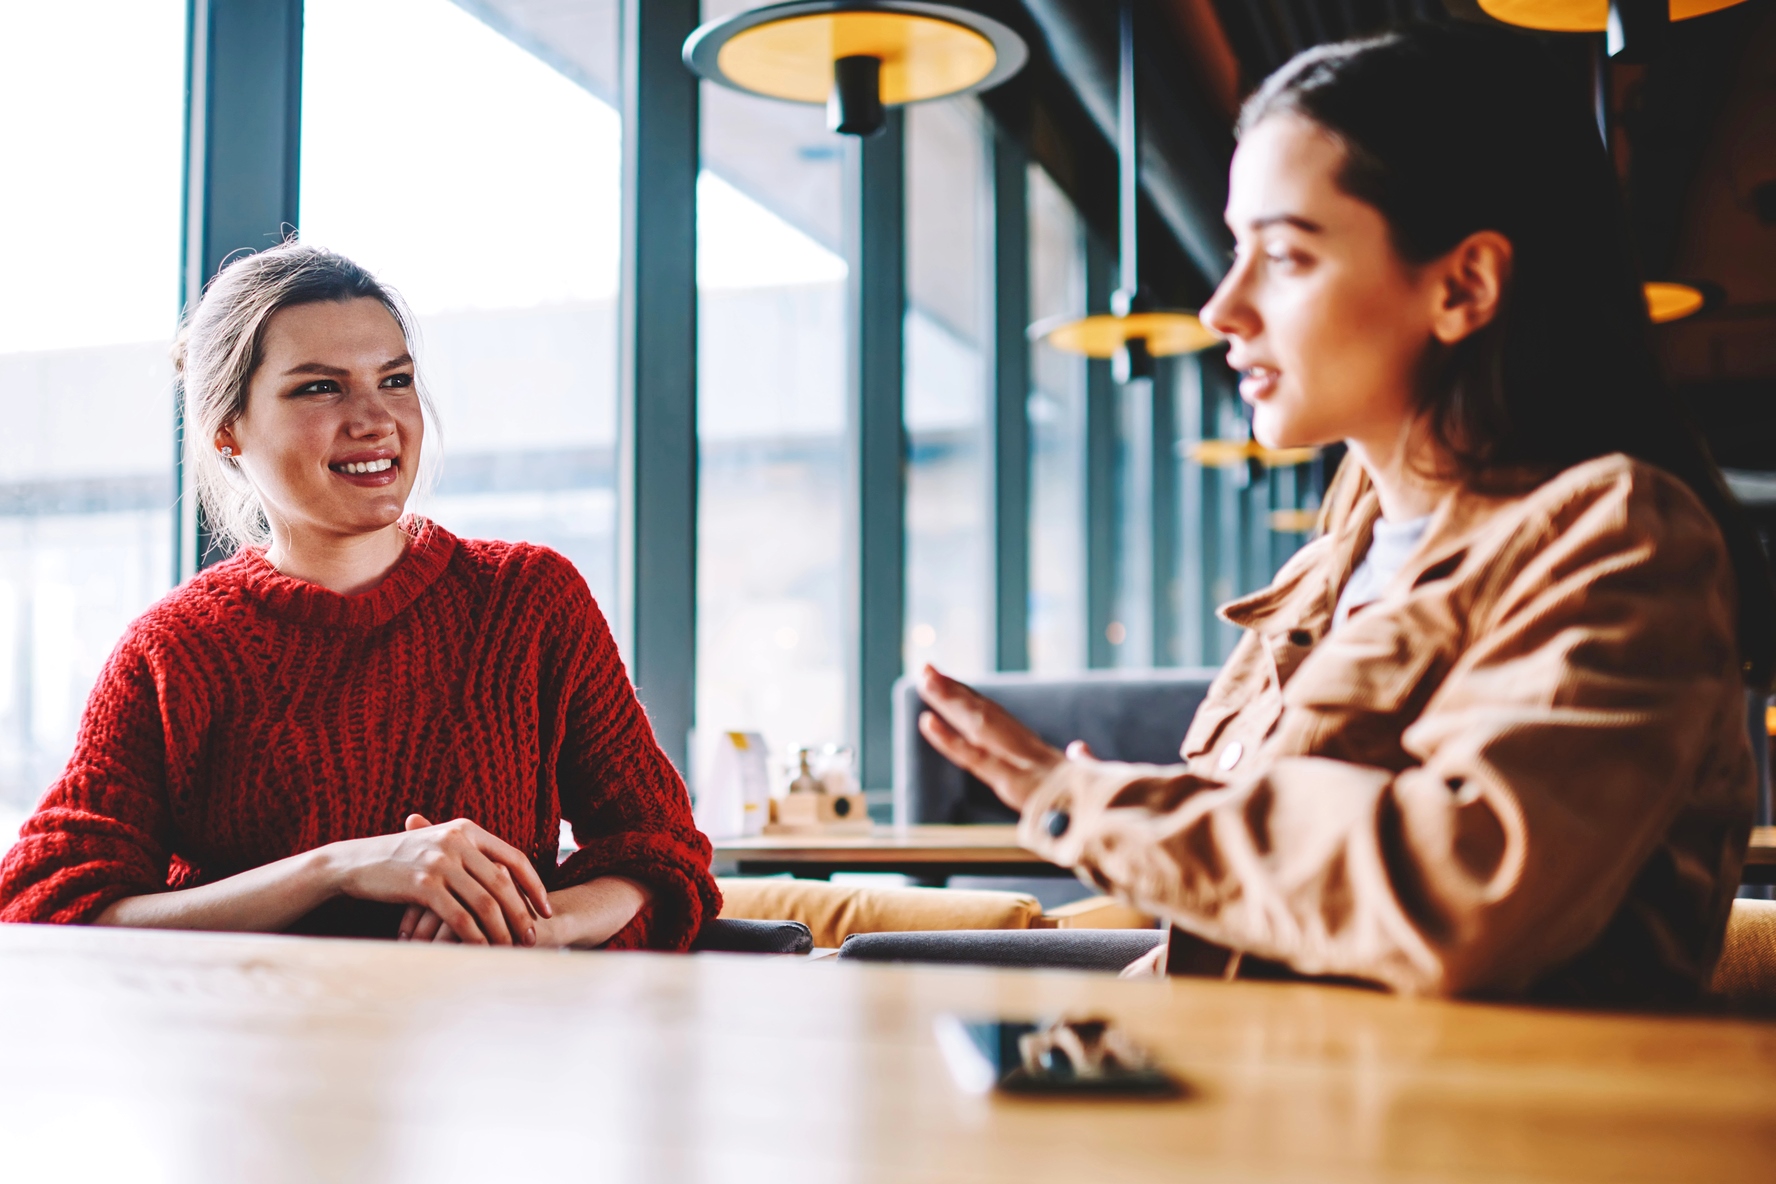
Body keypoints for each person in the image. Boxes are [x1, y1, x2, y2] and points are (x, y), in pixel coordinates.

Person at [918, 25, 1773, 1004]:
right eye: (1235, 249)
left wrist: (1080, 804)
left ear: (1464, 286)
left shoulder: (1620, 539)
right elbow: (1247, 927)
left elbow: (1454, 894)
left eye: (1283, 256)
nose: (1220, 308)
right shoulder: (1337, 558)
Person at [0, 242, 720, 949]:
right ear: (228, 430)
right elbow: (46, 907)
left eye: (395, 380)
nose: (375, 419)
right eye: (320, 387)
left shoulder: (528, 600)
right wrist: (336, 869)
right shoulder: (175, 649)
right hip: (248, 1056)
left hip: (496, 1047)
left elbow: (657, 852)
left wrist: (534, 928)